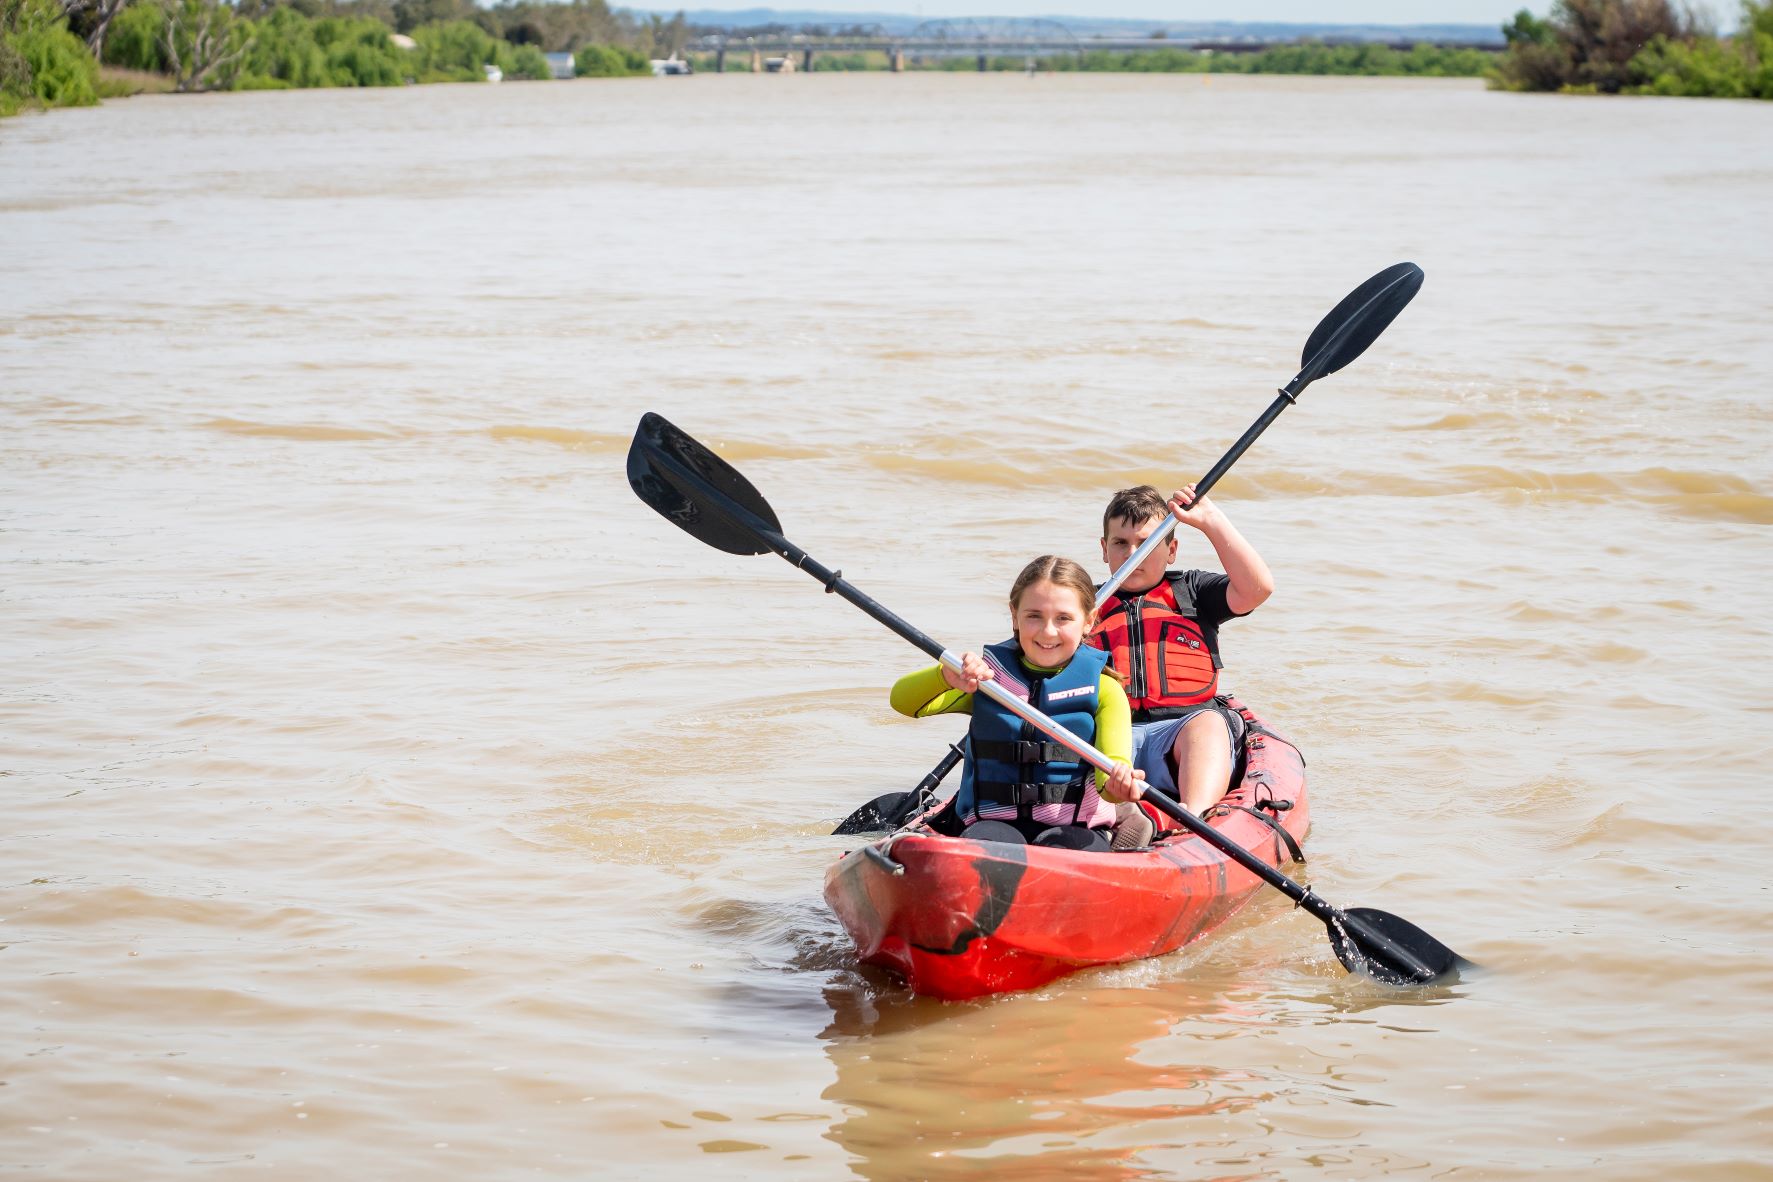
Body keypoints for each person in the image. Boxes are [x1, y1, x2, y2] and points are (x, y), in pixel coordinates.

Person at [889, 555, 1142, 853]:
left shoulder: (1105, 690)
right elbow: (903, 702)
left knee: (1066, 849)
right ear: (1014, 616)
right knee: (992, 844)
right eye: (1034, 615)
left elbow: (1108, 777)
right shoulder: (988, 680)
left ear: (1088, 621)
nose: (1047, 631)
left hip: (1073, 829)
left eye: (1063, 618)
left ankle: (1131, 825)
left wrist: (1117, 787)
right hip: (993, 825)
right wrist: (945, 676)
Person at [1089, 484, 1274, 845]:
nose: (1132, 554)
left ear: (1171, 550)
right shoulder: (1083, 605)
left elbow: (1258, 588)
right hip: (1111, 738)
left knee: (1208, 722)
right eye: (1120, 543)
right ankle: (1109, 817)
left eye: (1146, 543)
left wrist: (1210, 521)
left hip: (1181, 736)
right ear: (1104, 549)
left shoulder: (1193, 592)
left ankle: (1191, 817)